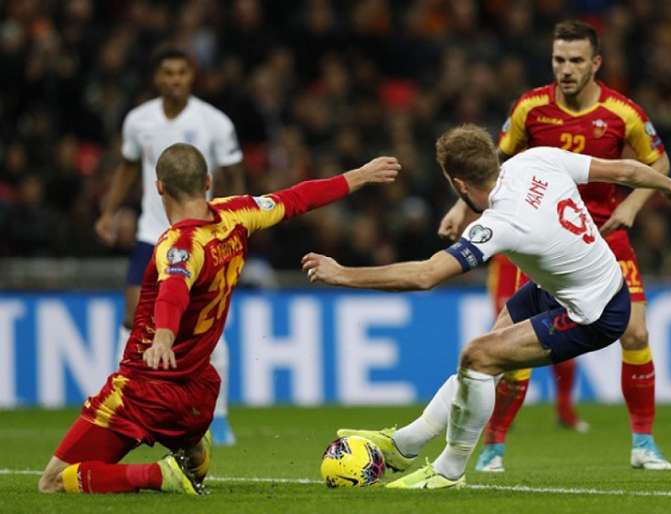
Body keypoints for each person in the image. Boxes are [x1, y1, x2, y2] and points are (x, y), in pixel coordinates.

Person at [302, 125, 671, 489]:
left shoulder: (499, 223)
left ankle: (449, 471)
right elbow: (621, 169)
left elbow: (426, 275)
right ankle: (406, 444)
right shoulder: (537, 159)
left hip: (594, 312)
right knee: (484, 361)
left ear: (458, 184)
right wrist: (669, 183)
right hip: (574, 283)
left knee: (478, 357)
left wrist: (342, 275)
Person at [38, 143, 401, 494]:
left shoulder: (178, 245)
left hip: (145, 389)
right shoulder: (238, 214)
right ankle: (193, 454)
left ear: (159, 188)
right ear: (208, 182)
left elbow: (174, 290)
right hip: (200, 394)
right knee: (188, 438)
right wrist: (359, 175)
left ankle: (161, 476)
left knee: (53, 481)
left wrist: (163, 335)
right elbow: (295, 198)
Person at [437, 20, 671, 472]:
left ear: (595, 63)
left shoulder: (622, 113)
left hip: (605, 237)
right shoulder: (530, 108)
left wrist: (634, 206)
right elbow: (492, 163)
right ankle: (495, 446)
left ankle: (643, 443)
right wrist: (461, 207)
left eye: (576, 61)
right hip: (547, 244)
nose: (565, 69)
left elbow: (656, 159)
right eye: (558, 60)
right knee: (510, 346)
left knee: (638, 333)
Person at [94, 47, 246, 446]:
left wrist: (234, 225)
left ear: (191, 77)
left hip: (200, 236)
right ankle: (125, 402)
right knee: (133, 316)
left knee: (206, 323)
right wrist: (109, 212)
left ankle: (222, 416)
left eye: (182, 72)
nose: (175, 79)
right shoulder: (138, 121)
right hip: (151, 234)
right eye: (168, 73)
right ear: (157, 78)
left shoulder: (215, 122)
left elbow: (234, 175)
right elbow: (128, 167)